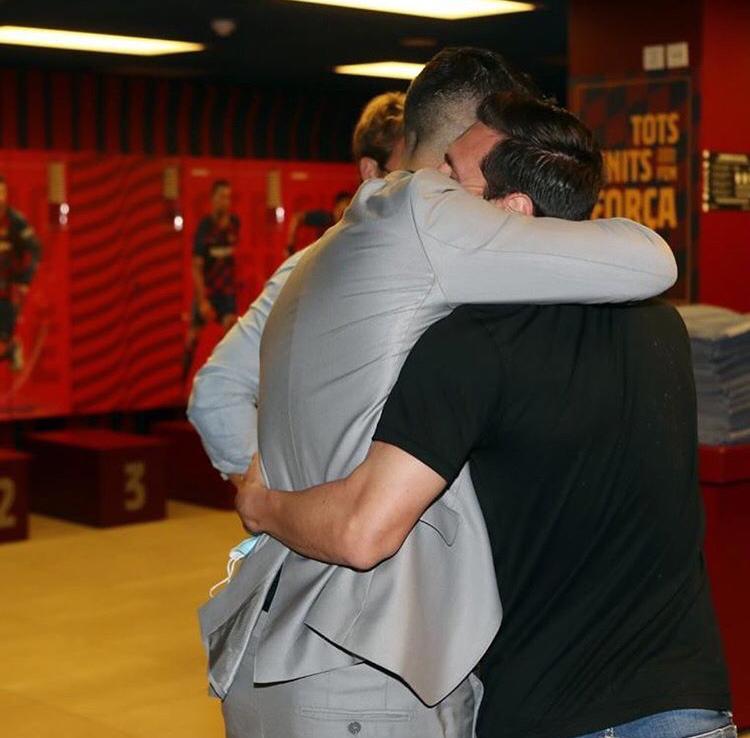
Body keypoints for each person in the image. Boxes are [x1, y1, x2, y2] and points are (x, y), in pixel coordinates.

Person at [189, 48, 677, 738]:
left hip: (286, 644)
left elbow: (219, 392)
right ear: (479, 142)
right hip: (370, 659)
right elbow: (648, 258)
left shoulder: (328, 248)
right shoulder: (425, 211)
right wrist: (268, 505)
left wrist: (275, 500)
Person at [182, 179, 240, 381]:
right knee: (192, 339)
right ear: (213, 199)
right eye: (222, 197)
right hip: (207, 292)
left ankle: (222, 383)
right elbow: (196, 267)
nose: (226, 201)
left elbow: (237, 257)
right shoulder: (205, 227)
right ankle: (182, 384)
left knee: (230, 336)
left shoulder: (234, 224)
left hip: (226, 293)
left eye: (228, 197)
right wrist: (202, 301)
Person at [0, 176, 41, 373]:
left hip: (6, 288)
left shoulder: (16, 221)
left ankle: (10, 347)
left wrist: (25, 280)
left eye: (1, 192)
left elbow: (34, 250)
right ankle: (10, 349)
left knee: (2, 336)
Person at [285, 190, 352, 256]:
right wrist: (290, 244)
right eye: (341, 211)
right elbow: (297, 218)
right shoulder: (325, 218)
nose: (343, 214)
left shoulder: (347, 227)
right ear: (336, 207)